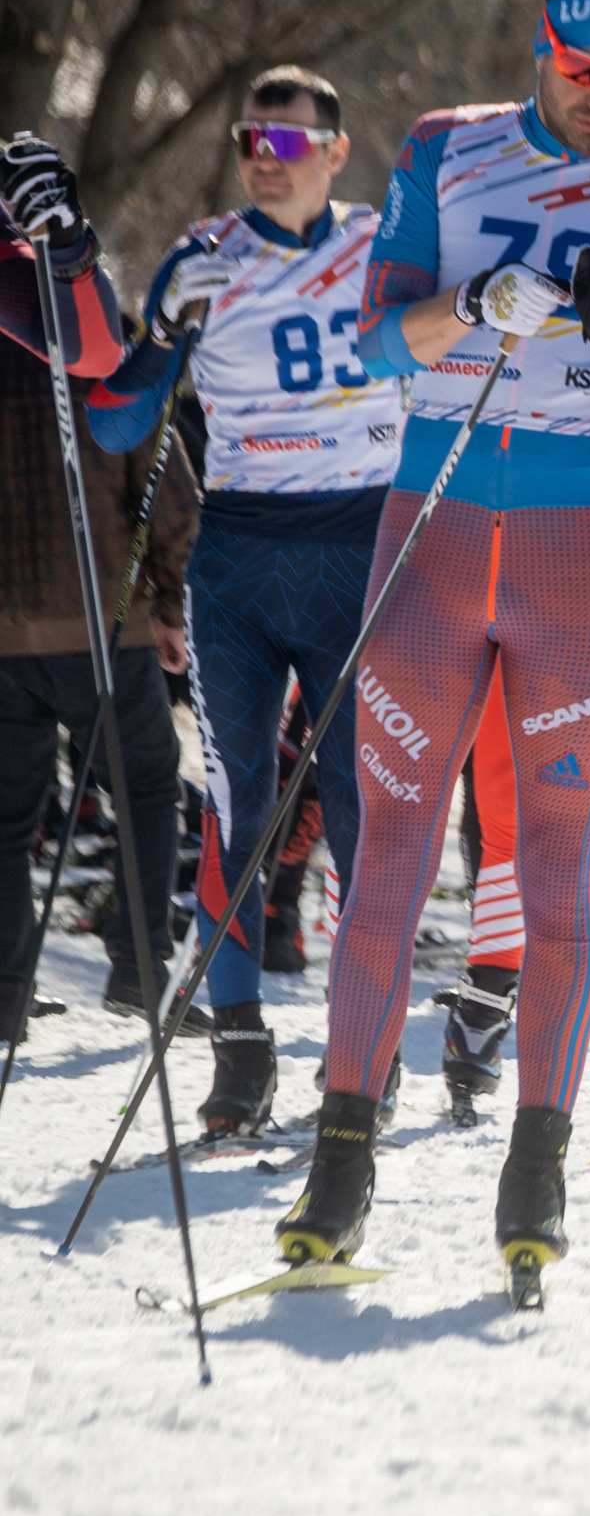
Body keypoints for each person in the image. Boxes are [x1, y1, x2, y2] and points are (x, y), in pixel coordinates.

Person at [275, 0, 590, 1276]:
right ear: (543, 49)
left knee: (560, 871)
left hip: (581, 535)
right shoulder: (445, 150)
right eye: (584, 70)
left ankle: (537, 1166)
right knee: (389, 859)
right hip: (436, 516)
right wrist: (470, 302)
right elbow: (368, 342)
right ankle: (340, 1159)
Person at [86, 66, 408, 1135]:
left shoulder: (386, 245)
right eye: (249, 142)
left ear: (335, 151)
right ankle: (239, 1048)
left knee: (363, 817)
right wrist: (156, 343)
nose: (266, 161)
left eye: (288, 142)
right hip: (240, 558)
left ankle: (364, 1045)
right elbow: (122, 424)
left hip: (360, 547)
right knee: (233, 810)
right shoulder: (202, 258)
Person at [0, 137, 197, 1043]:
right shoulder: (88, 329)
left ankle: (5, 995)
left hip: (9, 632)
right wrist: (167, 601)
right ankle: (139, 965)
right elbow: (157, 469)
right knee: (149, 785)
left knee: (8, 818)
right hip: (98, 615)